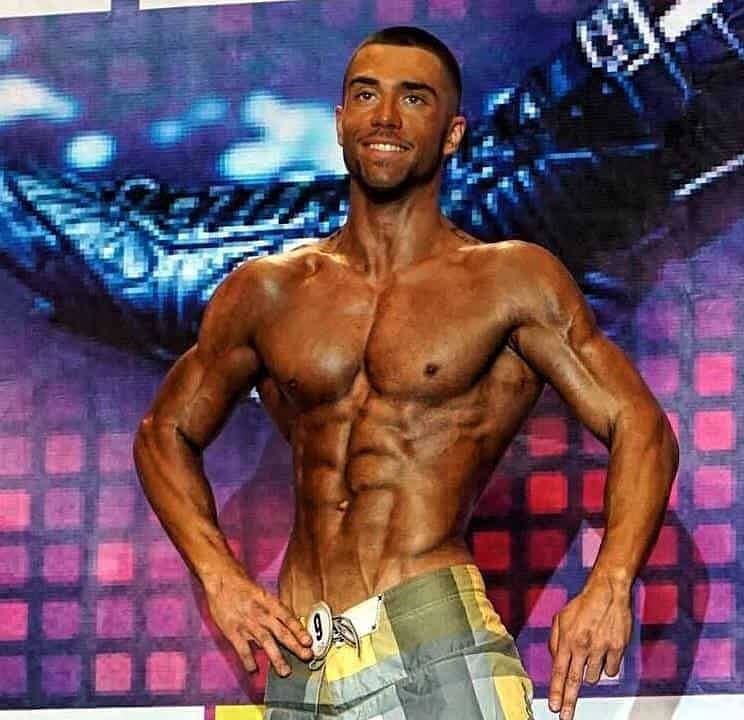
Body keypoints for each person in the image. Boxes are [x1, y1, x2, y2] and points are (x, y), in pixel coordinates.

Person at [133, 26, 678, 720]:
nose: (385, 117)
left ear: (452, 135)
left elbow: (639, 424)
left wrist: (611, 583)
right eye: (367, 95)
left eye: (413, 99)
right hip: (302, 659)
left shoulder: (508, 280)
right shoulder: (268, 291)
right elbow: (164, 433)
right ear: (340, 121)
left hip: (433, 637)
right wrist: (219, 576)